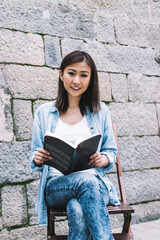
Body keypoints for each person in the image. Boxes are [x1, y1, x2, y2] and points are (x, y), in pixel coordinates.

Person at [30, 51, 120, 240]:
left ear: (90, 79)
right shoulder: (44, 113)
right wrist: (37, 158)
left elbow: (111, 151)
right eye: (71, 73)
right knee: (85, 182)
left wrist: (103, 159)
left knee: (77, 208)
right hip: (57, 187)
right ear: (61, 74)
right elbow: (34, 153)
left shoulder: (101, 111)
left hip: (95, 186)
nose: (76, 81)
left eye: (83, 75)